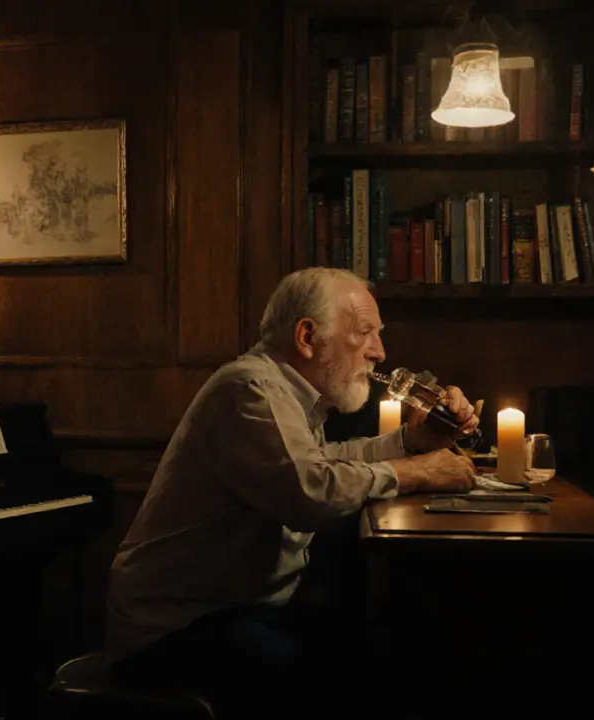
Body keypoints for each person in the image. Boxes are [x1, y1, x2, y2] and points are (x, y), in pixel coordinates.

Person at [105, 267, 479, 718]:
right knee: (355, 679)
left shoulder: (288, 392)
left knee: (386, 644)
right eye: (365, 334)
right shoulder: (251, 389)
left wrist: (412, 443)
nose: (379, 353)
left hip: (234, 610)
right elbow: (312, 491)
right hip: (174, 627)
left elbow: (325, 462)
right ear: (307, 336)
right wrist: (417, 471)